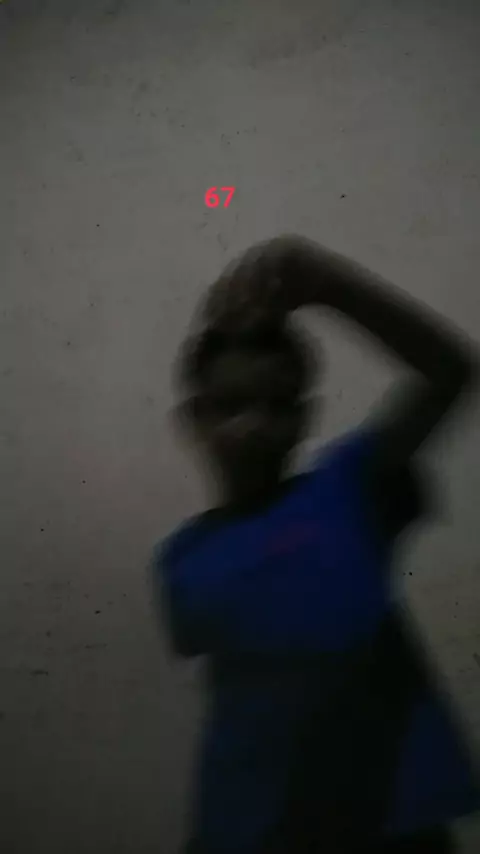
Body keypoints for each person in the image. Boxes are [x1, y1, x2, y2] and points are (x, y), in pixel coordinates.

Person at [149, 236, 480, 853]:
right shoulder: (183, 562)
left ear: (305, 417)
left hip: (393, 827)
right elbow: (241, 714)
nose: (254, 424)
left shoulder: (349, 489)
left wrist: (331, 286)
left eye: (277, 405)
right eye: (230, 406)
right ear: (195, 420)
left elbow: (450, 371)